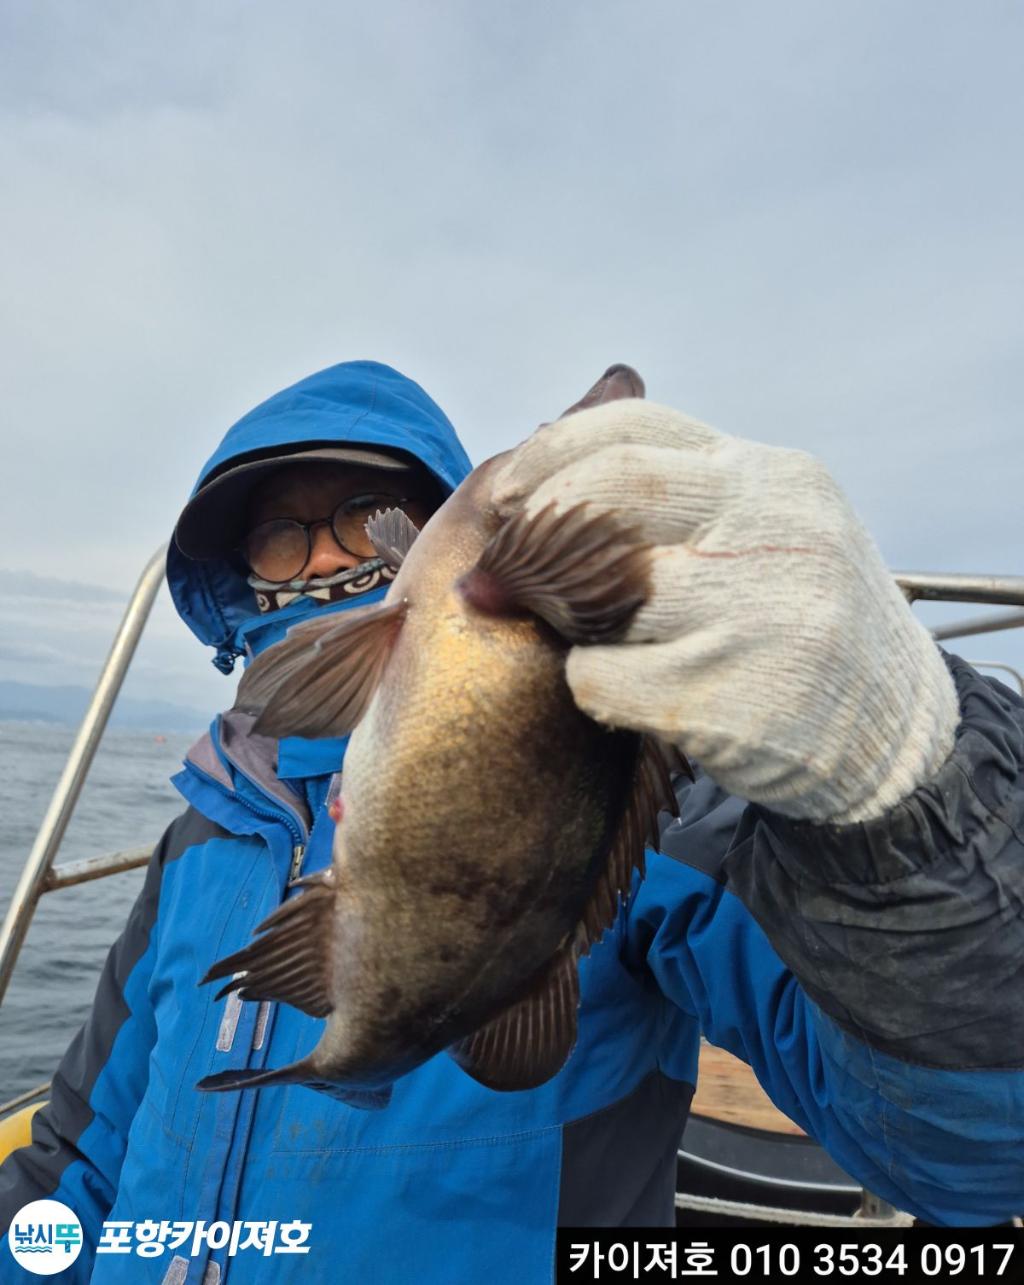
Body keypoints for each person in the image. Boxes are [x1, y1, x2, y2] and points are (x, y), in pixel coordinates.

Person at [1, 358, 1022, 1282]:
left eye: (362, 517)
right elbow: (80, 1149)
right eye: (279, 536)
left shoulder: (655, 817)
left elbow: (971, 1159)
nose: (318, 562)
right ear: (240, 580)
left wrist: (908, 802)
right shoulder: (199, 835)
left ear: (421, 528)